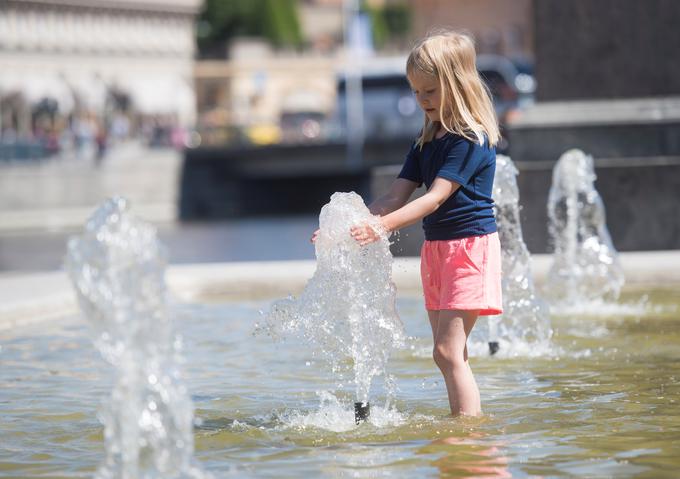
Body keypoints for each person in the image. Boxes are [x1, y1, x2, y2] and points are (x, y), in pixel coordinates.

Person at [314, 30, 502, 416]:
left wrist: (382, 229)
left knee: (447, 352)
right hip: (438, 252)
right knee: (450, 354)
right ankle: (465, 431)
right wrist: (344, 229)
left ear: (458, 85)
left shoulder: (470, 139)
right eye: (416, 92)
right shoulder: (426, 141)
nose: (422, 100)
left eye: (430, 91)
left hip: (470, 249)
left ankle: (468, 437)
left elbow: (434, 197)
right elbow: (393, 197)